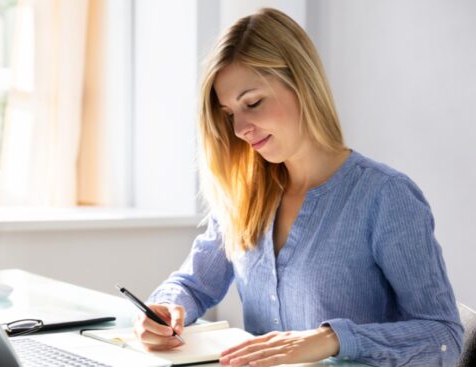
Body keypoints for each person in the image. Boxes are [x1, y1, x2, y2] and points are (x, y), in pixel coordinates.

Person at [133, 7, 463, 367]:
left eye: (253, 103)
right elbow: (192, 286)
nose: (240, 128)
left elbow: (443, 336)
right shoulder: (243, 195)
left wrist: (332, 339)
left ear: (302, 84)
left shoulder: (385, 197)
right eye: (229, 114)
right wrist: (166, 309)